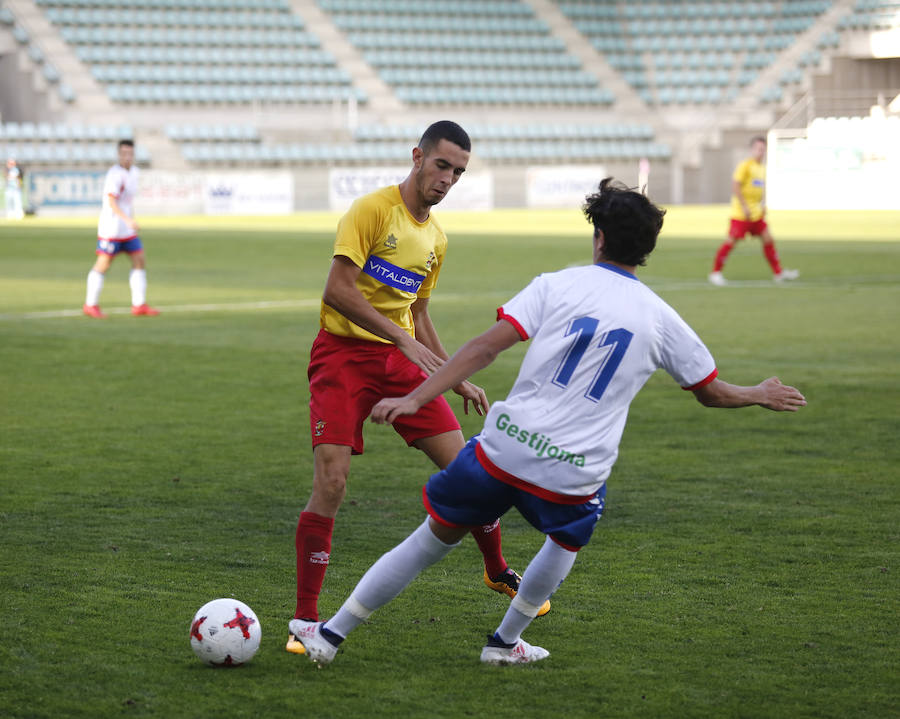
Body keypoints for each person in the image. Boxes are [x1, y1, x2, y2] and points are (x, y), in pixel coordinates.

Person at [287, 178, 806, 666]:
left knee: (428, 540)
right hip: (573, 471)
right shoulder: (662, 318)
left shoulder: (556, 285)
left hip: (502, 447)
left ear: (598, 237)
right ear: (648, 248)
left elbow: (484, 348)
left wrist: (418, 394)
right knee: (567, 539)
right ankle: (504, 641)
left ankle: (330, 635)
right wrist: (757, 394)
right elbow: (710, 392)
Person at [287, 120, 548, 657]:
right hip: (341, 356)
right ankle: (306, 620)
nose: (448, 178)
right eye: (442, 165)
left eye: (458, 172)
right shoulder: (371, 211)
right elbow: (337, 289)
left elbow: (418, 313)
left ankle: (497, 570)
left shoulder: (436, 239)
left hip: (398, 359)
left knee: (469, 473)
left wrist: (455, 376)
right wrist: (402, 343)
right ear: (417, 157)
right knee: (332, 482)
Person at [83, 139, 158, 318]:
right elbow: (111, 201)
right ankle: (90, 304)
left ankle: (139, 305)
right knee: (104, 264)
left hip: (127, 230)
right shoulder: (114, 175)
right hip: (112, 228)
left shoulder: (134, 173)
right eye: (124, 154)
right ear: (119, 155)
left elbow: (127, 202)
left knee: (139, 260)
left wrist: (130, 220)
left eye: (130, 154)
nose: (127, 157)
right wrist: (128, 220)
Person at [709, 136, 799, 286]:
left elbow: (757, 190)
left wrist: (761, 205)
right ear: (752, 149)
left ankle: (778, 273)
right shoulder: (745, 166)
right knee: (731, 241)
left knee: (768, 239)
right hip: (742, 214)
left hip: (756, 214)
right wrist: (744, 206)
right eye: (758, 149)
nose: (761, 152)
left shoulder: (761, 168)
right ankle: (715, 273)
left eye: (763, 149)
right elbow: (736, 186)